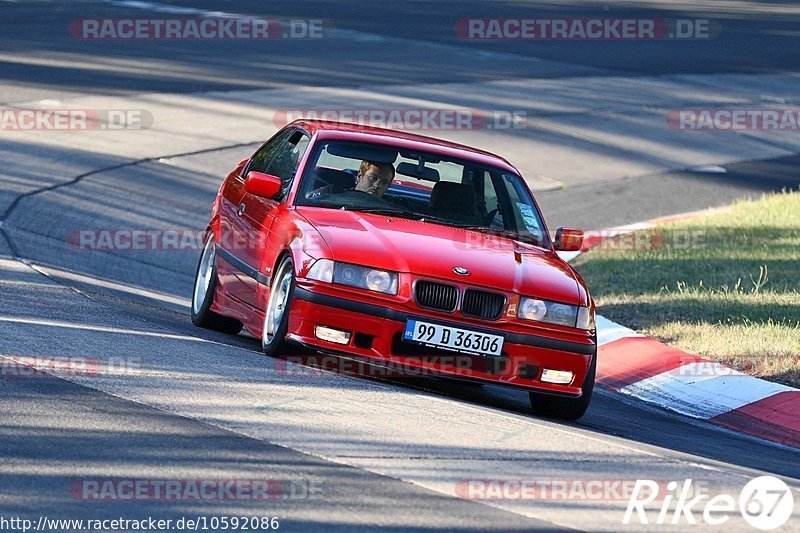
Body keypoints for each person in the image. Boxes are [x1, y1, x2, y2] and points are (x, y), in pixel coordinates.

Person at [308, 160, 395, 199]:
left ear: (388, 186)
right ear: (360, 176)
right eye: (373, 178)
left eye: (384, 182)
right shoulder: (329, 193)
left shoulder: (394, 211)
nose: (377, 185)